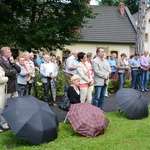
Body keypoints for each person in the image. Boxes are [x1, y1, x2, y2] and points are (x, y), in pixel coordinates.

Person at [0, 65, 9, 132]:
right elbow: (0, 79)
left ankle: (2, 124)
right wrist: (6, 78)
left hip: (2, 90)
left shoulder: (1, 67)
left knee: (1, 107)